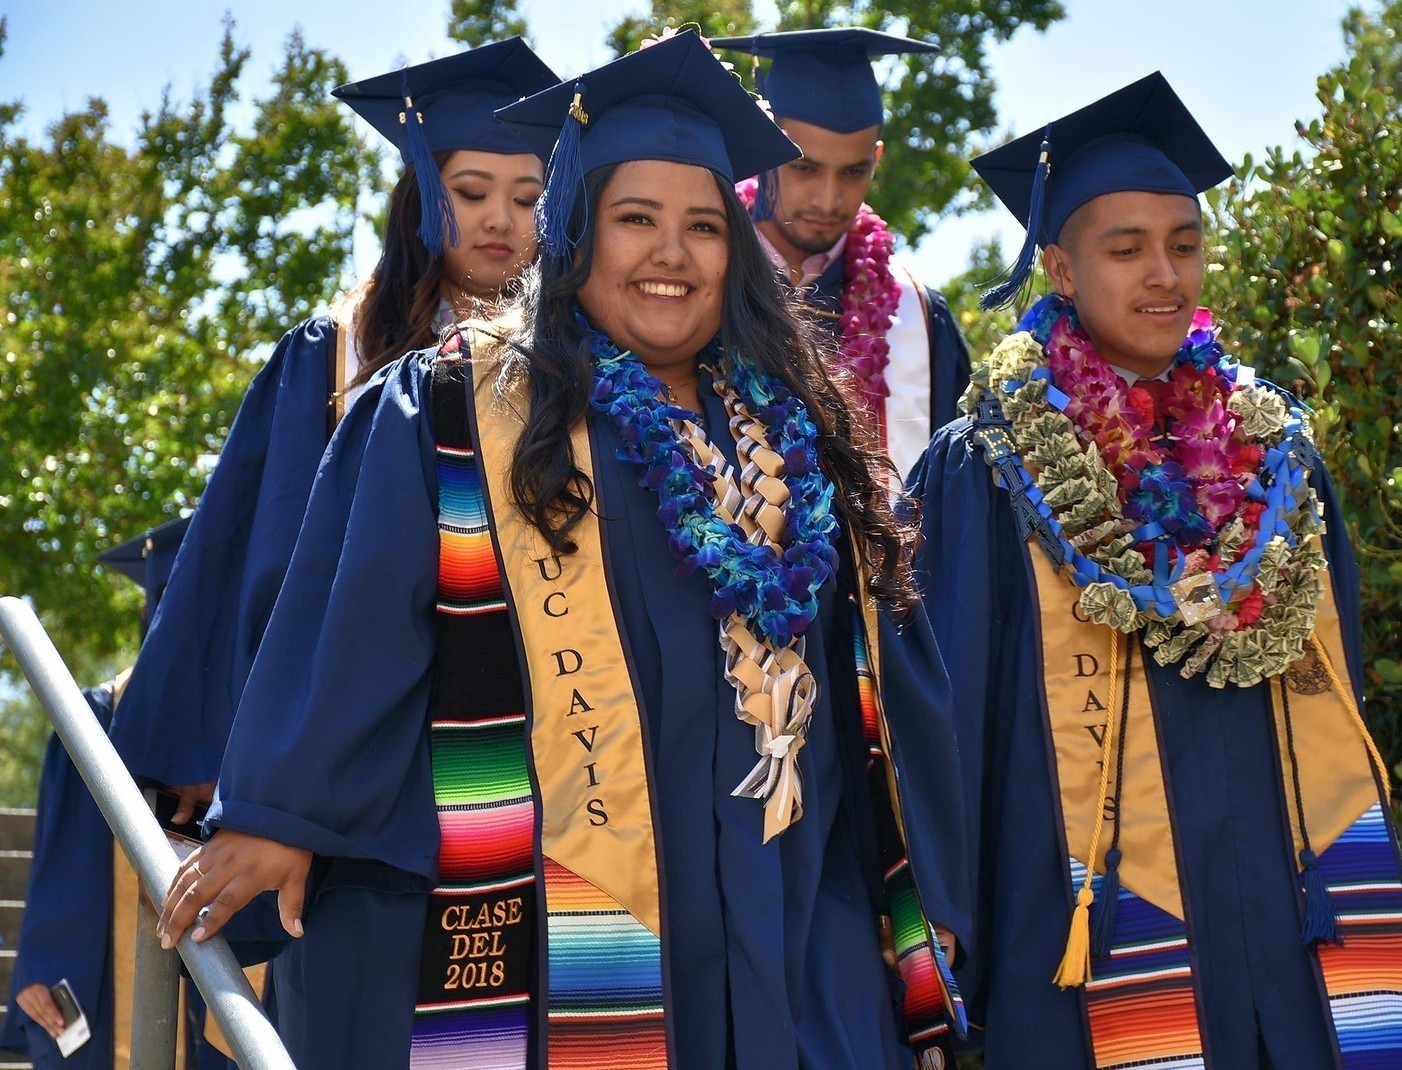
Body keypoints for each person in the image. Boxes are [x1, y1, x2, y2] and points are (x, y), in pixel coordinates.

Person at [156, 29, 968, 1070]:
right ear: (578, 233)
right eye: (636, 220)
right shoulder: (453, 403)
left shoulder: (797, 434)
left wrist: (925, 890)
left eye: (703, 227)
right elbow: (357, 616)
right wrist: (282, 811)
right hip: (550, 915)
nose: (671, 255)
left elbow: (882, 683)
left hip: (786, 907)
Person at [908, 73, 1402, 1069]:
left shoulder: (1277, 458)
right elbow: (948, 736)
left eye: (1183, 243)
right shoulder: (988, 471)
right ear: (1060, 269)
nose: (1163, 273)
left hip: (1294, 913)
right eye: (1126, 248)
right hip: (1092, 922)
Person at [109, 38, 561, 825]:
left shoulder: (575, 361)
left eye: (528, 199)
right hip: (357, 723)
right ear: (422, 194)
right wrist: (241, 749)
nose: (500, 219)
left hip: (534, 712)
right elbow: (267, 556)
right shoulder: (338, 352)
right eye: (470, 189)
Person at [0, 521, 252, 1070]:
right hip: (111, 984)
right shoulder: (95, 719)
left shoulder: (265, 726)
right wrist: (41, 967)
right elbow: (60, 864)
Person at [708, 28, 971, 478]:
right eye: (804, 167)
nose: (829, 200)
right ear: (764, 148)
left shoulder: (919, 317)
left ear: (877, 159)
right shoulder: (705, 279)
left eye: (854, 171)